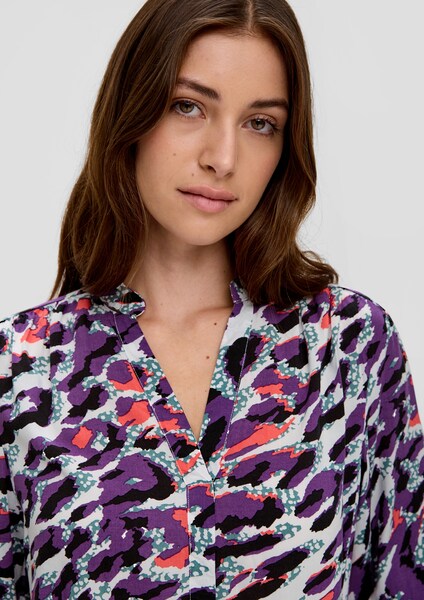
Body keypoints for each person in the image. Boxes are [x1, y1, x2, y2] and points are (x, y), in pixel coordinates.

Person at [0, 0, 422, 597]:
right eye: (188, 106)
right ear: (131, 111)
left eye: (260, 123)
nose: (222, 159)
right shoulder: (21, 371)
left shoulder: (349, 346)